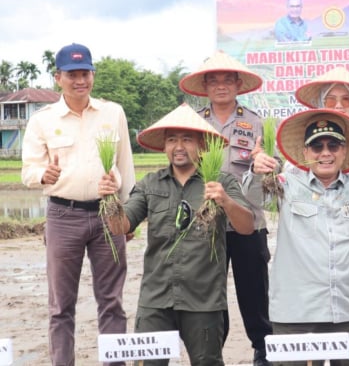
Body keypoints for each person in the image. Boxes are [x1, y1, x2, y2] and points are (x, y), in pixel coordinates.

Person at [246, 109, 349, 365]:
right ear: (305, 152)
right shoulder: (286, 185)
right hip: (296, 314)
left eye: (333, 145)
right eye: (317, 146)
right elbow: (255, 195)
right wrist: (257, 170)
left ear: (344, 150)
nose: (325, 153)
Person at [98, 103, 254, 365]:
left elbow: (247, 226)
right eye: (172, 140)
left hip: (203, 301)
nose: (178, 146)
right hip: (156, 300)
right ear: (164, 145)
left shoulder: (222, 182)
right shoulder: (150, 183)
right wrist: (109, 199)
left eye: (187, 139)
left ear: (203, 145)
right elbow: (120, 226)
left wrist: (225, 200)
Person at [20, 43, 135, 365]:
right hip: (63, 215)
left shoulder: (113, 113)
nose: (79, 80)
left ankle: (114, 362)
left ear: (93, 75)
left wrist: (129, 217)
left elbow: (125, 166)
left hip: (107, 213)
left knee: (112, 301)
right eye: (72, 74)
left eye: (85, 73)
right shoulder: (43, 120)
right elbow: (28, 170)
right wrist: (45, 173)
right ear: (58, 78)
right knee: (60, 305)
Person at [179, 50, 274, 366]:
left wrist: (267, 164)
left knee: (254, 292)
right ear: (205, 86)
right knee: (209, 293)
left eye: (227, 80)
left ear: (238, 84)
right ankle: (210, 353)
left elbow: (274, 171)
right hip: (206, 224)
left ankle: (263, 350)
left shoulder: (256, 123)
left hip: (248, 220)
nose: (221, 86)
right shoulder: (193, 124)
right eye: (214, 80)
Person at [294, 66, 349, 279]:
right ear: (321, 102)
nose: (339, 106)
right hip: (315, 235)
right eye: (331, 99)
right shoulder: (303, 145)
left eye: (346, 100)